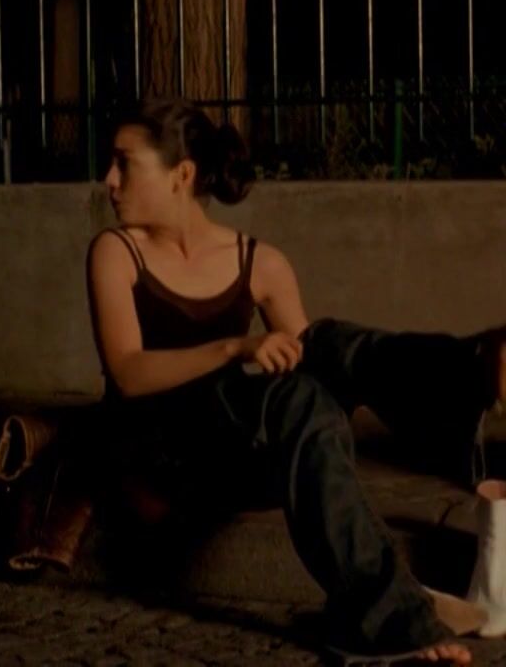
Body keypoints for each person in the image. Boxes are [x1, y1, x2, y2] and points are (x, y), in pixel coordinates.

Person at [85, 98, 505, 663]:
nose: (109, 180)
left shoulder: (260, 262)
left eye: (124, 163)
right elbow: (128, 373)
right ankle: (396, 608)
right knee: (287, 386)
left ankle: (471, 371)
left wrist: (298, 359)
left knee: (321, 350)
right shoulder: (115, 252)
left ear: (181, 174)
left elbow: (313, 373)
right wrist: (236, 347)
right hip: (160, 462)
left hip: (231, 460)